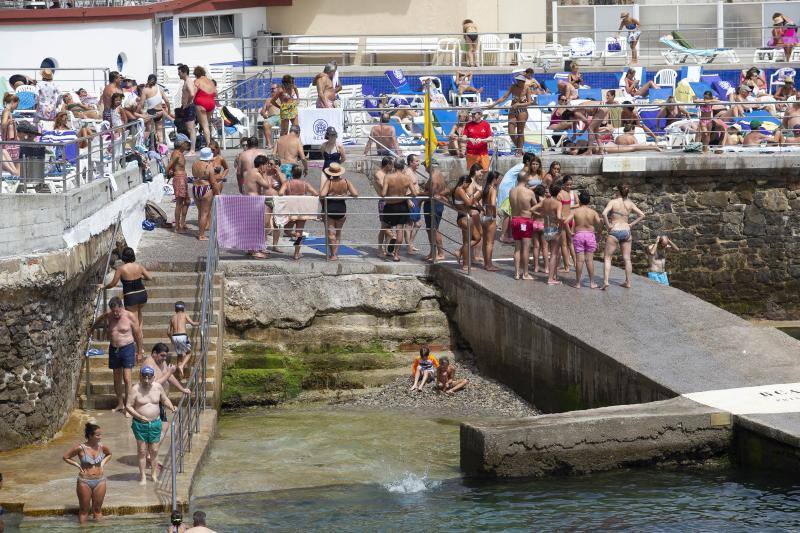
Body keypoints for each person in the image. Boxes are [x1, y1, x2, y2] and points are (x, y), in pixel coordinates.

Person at [90, 296, 143, 415]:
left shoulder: (130, 316)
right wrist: (92, 328)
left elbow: (138, 334)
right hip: (114, 349)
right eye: (113, 312)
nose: (116, 314)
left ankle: (128, 406)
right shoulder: (109, 315)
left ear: (121, 307)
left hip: (128, 348)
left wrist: (139, 352)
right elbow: (100, 318)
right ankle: (120, 403)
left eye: (117, 311)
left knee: (127, 378)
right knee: (116, 378)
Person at [127, 366, 175, 485]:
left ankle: (153, 475)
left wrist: (171, 406)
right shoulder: (135, 389)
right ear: (140, 377)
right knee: (142, 451)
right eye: (144, 377)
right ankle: (143, 476)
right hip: (140, 424)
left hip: (155, 423)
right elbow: (128, 406)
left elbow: (164, 399)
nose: (147, 380)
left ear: (153, 378)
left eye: (149, 378)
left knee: (154, 450)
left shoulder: (158, 387)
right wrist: (139, 416)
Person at [62, 422, 111, 525]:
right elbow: (66, 457)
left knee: (97, 510)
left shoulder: (102, 447)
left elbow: (109, 454)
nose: (100, 437)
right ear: (90, 436)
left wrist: (102, 464)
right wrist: (78, 465)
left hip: (100, 481)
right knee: (84, 510)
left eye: (100, 434)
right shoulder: (80, 448)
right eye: (98, 435)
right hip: (84, 481)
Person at [602, 184, 645, 290]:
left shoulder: (613, 202)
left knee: (607, 257)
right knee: (627, 259)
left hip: (615, 231)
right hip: (626, 231)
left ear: (619, 192)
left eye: (616, 190)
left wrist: (608, 226)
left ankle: (606, 281)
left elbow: (604, 214)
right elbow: (642, 215)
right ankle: (628, 282)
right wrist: (632, 224)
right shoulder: (630, 203)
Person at [101, 247, 152, 328]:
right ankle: (140, 336)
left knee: (134, 321)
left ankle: (137, 339)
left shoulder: (121, 269)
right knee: (139, 313)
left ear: (123, 257)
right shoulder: (139, 266)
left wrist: (104, 287)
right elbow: (149, 277)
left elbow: (113, 284)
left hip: (131, 297)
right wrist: (141, 277)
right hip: (142, 295)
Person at [381, 159, 419, 262]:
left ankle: (391, 236)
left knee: (385, 226)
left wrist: (390, 194)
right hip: (402, 205)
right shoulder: (407, 178)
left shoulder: (388, 177)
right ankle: (396, 255)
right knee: (400, 230)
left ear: (394, 166)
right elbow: (415, 194)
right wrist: (405, 197)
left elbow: (383, 193)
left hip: (390, 205)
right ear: (403, 167)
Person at [242, 154, 279, 258]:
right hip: (255, 201)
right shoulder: (257, 174)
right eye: (266, 165)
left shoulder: (248, 172)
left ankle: (251, 248)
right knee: (257, 226)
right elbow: (267, 185)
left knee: (252, 226)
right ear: (261, 165)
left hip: (248, 200)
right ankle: (255, 250)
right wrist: (264, 175)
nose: (267, 167)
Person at [319, 162, 358, 261]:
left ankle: (333, 254)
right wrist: (343, 195)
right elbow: (355, 194)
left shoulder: (329, 182)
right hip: (341, 209)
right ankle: (335, 253)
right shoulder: (346, 182)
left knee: (331, 233)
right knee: (338, 233)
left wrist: (332, 195)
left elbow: (322, 194)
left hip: (330, 209)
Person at [279, 165, 319, 260]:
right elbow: (316, 193)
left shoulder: (287, 183)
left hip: (291, 210)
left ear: (292, 173)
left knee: (287, 230)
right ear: (300, 174)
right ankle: (296, 254)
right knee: (299, 232)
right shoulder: (305, 184)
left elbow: (280, 193)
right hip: (302, 211)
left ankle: (296, 237)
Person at [564, 191, 602, 289]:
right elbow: (600, 223)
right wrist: (599, 233)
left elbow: (565, 221)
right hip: (590, 235)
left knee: (579, 261)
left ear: (579, 201)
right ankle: (592, 283)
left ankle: (577, 283)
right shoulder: (593, 212)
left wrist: (569, 232)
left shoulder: (575, 211)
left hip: (579, 235)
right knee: (589, 260)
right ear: (589, 201)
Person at [491, 75, 530, 155]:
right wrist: (493, 104)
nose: (519, 82)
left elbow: (529, 102)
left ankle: (519, 151)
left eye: (521, 81)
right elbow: (504, 97)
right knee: (511, 132)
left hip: (522, 110)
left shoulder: (527, 88)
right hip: (513, 109)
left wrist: (519, 104)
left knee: (520, 131)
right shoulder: (513, 87)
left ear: (523, 81)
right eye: (518, 80)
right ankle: (520, 148)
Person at [509, 171, 537, 280]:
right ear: (526, 179)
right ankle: (525, 274)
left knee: (517, 248)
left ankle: (516, 273)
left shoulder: (512, 191)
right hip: (525, 220)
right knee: (525, 248)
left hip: (515, 220)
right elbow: (535, 205)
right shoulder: (529, 192)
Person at [452, 174, 481, 271]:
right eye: (468, 185)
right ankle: (465, 265)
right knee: (466, 242)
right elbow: (469, 203)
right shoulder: (459, 190)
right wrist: (474, 194)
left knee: (477, 238)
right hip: (464, 217)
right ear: (464, 182)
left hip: (465, 216)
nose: (468, 187)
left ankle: (459, 252)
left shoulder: (458, 189)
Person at [421, 159, 447, 262]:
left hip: (434, 204)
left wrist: (418, 194)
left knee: (434, 229)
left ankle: (440, 253)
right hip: (432, 204)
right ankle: (433, 252)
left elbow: (432, 193)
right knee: (430, 229)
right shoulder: (436, 174)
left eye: (425, 166)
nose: (425, 169)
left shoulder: (434, 177)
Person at [540, 183, 565, 286]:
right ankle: (551, 278)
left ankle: (554, 275)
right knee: (554, 254)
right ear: (558, 193)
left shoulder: (545, 201)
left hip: (546, 229)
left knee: (553, 253)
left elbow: (541, 212)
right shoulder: (558, 203)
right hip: (554, 229)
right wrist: (563, 220)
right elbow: (559, 217)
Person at [167, 134, 191, 232]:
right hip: (179, 179)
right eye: (186, 143)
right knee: (179, 203)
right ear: (181, 144)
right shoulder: (176, 154)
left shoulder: (180, 153)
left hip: (183, 178)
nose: (188, 146)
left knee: (187, 201)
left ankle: (182, 222)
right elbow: (168, 167)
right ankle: (177, 226)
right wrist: (170, 174)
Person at [168, 302, 199, 379]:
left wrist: (171, 339)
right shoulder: (185, 315)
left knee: (179, 355)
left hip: (175, 337)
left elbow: (168, 332)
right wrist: (202, 322)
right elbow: (193, 323)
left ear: (175, 309)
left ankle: (180, 375)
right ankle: (181, 365)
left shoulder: (173, 317)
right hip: (182, 336)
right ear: (183, 309)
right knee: (189, 353)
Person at [142, 74, 173, 146]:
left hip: (151, 112)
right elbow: (167, 101)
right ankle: (161, 147)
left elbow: (141, 104)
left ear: (148, 80)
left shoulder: (145, 90)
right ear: (156, 81)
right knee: (159, 131)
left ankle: (145, 146)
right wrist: (169, 111)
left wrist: (137, 112)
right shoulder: (160, 89)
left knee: (148, 130)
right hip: (159, 112)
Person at [373, 155, 395, 257]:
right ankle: (380, 248)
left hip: (390, 201)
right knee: (384, 226)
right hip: (384, 202)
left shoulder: (388, 174)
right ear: (387, 165)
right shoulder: (379, 174)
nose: (393, 167)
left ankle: (388, 248)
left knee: (390, 225)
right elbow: (385, 188)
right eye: (392, 164)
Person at [192, 147, 215, 241]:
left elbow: (194, 175)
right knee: (204, 213)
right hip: (206, 187)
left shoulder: (195, 164)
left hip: (195, 187)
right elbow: (213, 182)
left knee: (200, 212)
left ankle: (200, 232)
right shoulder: (209, 166)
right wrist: (217, 193)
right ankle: (201, 235)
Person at [403, 154, 424, 254]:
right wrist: (407, 200)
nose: (418, 163)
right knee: (409, 224)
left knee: (418, 223)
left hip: (416, 199)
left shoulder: (413, 172)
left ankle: (410, 243)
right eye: (416, 161)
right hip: (410, 199)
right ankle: (409, 246)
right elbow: (403, 188)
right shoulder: (407, 172)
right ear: (410, 162)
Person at [481, 170, 501, 271]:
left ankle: (486, 263)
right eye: (498, 179)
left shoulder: (485, 188)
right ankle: (489, 264)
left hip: (483, 217)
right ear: (495, 179)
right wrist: (494, 213)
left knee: (485, 241)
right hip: (490, 217)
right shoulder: (493, 189)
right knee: (490, 243)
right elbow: (493, 203)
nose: (499, 181)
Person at [556, 176, 578, 272]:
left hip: (564, 220)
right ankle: (577, 264)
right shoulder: (568, 195)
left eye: (570, 185)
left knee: (564, 245)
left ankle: (567, 267)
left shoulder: (560, 195)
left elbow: (560, 211)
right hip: (570, 219)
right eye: (567, 185)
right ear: (563, 184)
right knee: (570, 243)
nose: (569, 186)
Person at [193, 66, 216, 147]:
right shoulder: (210, 82)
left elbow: (193, 93)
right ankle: (210, 141)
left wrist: (189, 101)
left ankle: (208, 145)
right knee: (207, 124)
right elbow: (215, 93)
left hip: (201, 103)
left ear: (196, 74)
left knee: (204, 125)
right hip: (211, 103)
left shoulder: (197, 81)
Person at [177, 64, 197, 154]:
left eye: (180, 72)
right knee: (190, 129)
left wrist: (188, 103)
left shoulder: (188, 81)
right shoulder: (187, 81)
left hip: (189, 107)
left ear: (184, 72)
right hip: (188, 107)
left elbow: (192, 94)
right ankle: (192, 149)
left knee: (191, 129)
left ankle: (192, 150)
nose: (178, 74)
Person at [260, 82, 281, 149]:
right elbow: (262, 112)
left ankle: (282, 144)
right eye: (271, 89)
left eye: (273, 88)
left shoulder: (282, 98)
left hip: (281, 117)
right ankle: (269, 144)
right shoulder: (268, 100)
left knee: (286, 124)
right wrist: (264, 114)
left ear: (278, 89)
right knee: (265, 124)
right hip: (272, 118)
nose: (272, 90)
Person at [1, 93, 19, 165]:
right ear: (12, 102)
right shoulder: (6, 111)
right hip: (8, 141)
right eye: (17, 104)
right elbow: (3, 124)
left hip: (10, 140)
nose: (17, 106)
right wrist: (9, 121)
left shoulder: (8, 112)